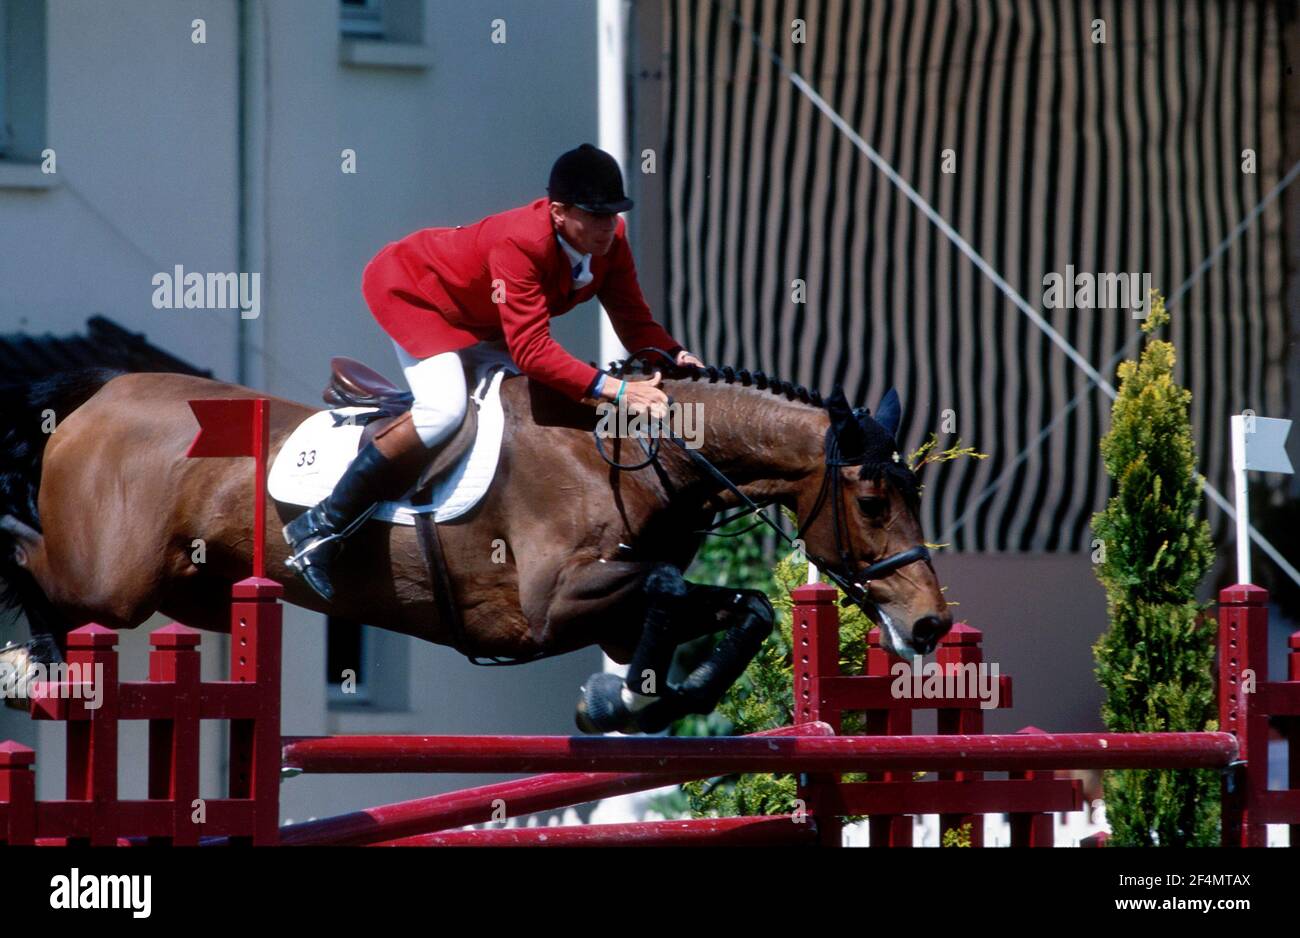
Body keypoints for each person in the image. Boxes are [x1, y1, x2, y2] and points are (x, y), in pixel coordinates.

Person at [285, 143, 703, 601]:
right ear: (559, 213)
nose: (608, 227)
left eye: (613, 214)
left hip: (485, 317)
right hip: (417, 295)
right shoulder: (521, 242)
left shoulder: (612, 241)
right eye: (595, 216)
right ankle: (321, 525)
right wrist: (617, 391)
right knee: (444, 411)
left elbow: (632, 318)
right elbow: (531, 351)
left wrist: (672, 356)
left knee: (530, 400)